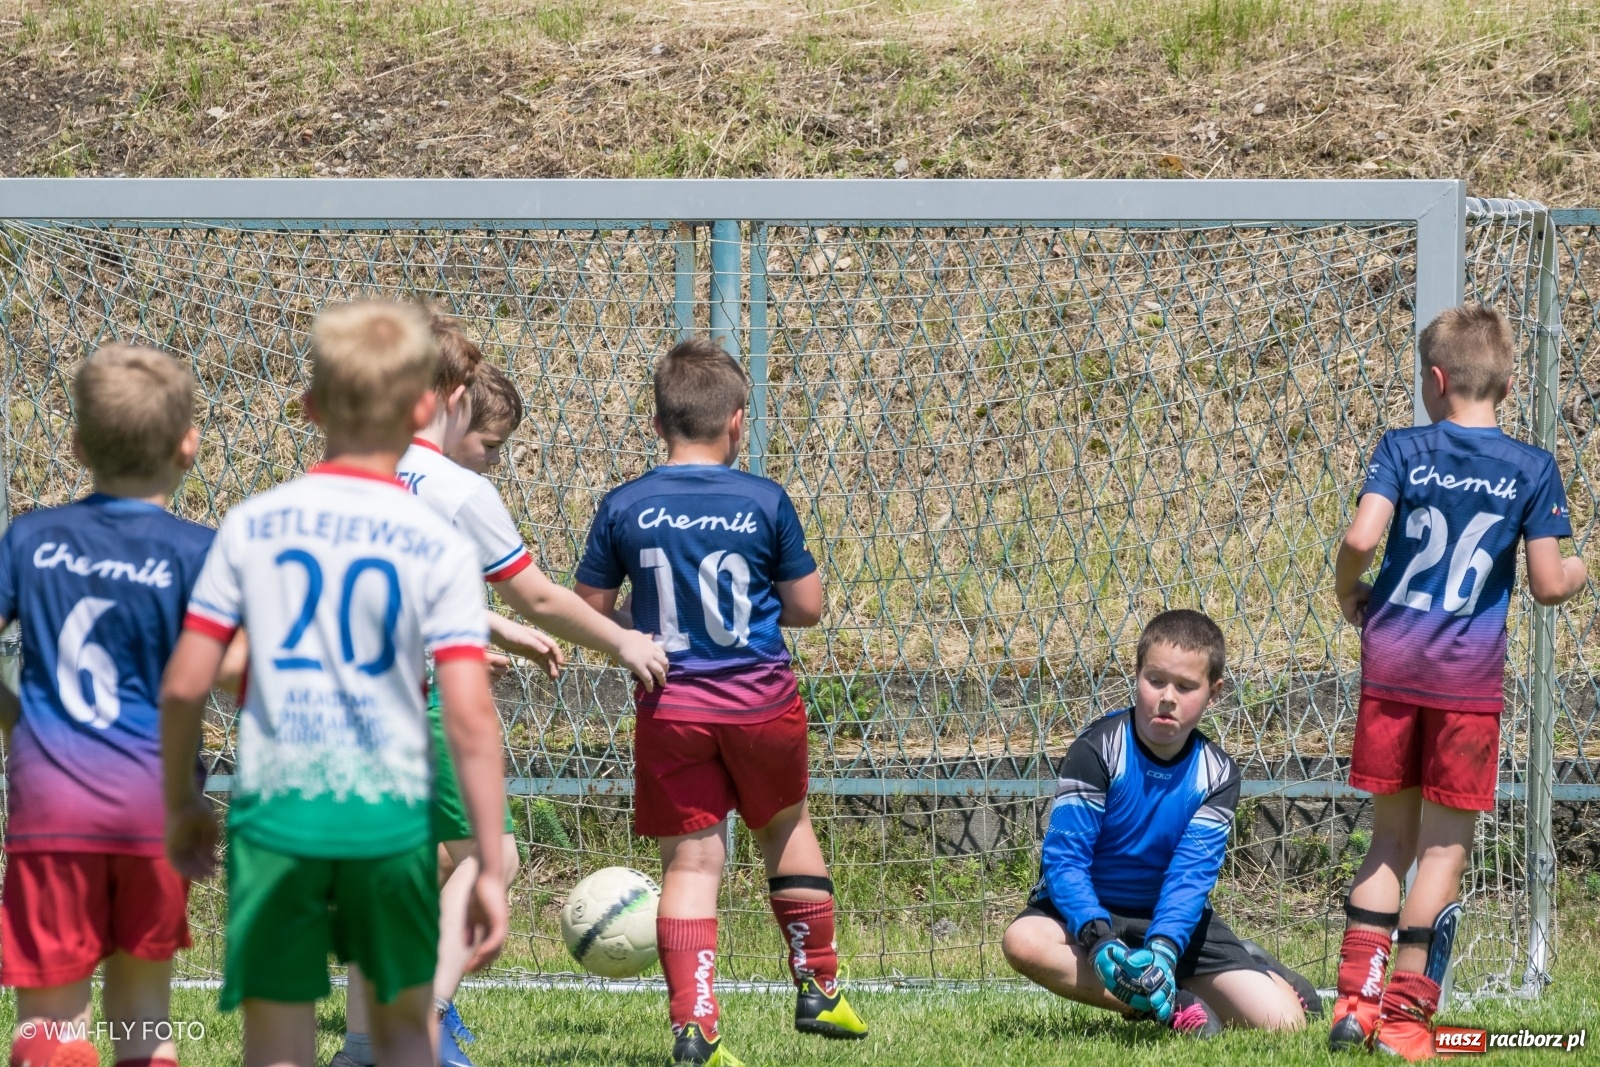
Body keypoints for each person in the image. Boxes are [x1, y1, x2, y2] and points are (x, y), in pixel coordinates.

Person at [160, 301, 510, 1067]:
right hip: (386, 817)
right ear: (422, 409)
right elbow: (470, 716)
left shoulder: (254, 523)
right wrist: (489, 859)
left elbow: (185, 683)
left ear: (312, 407)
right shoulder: (438, 543)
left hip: (278, 811)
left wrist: (181, 801)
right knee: (398, 1030)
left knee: (276, 1037)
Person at [335, 312, 669, 1067]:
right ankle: (427, 1020)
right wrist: (622, 641)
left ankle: (359, 1048)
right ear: (455, 395)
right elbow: (541, 595)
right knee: (492, 860)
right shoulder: (455, 489)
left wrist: (480, 629)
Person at [574, 337, 867, 1067]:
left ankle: (696, 1029)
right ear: (738, 421)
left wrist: (640, 630)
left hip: (670, 705)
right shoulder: (764, 499)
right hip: (761, 702)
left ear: (657, 422)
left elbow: (588, 609)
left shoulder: (625, 504)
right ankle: (818, 987)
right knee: (785, 827)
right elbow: (808, 607)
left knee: (692, 864)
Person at [1330, 305, 1587, 1060]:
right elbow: (1548, 584)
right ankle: (1405, 1022)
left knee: (1388, 840)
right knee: (1443, 852)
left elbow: (1361, 536)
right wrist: (1579, 568)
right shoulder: (1532, 467)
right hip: (1464, 684)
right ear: (1506, 386)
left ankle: (1354, 1006)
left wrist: (1348, 589)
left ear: (1435, 380)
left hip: (1390, 665)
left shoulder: (1402, 447)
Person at [0, 345, 215, 1067]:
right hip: (156, 805)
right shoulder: (199, 552)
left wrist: (17, 719)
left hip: (52, 805)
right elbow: (234, 667)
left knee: (50, 1026)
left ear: (77, 446)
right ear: (189, 445)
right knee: (145, 1021)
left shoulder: (30, 538)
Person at [1002, 610, 1315, 1039]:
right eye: (1155, 680)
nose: (1168, 697)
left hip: (1169, 918)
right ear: (1137, 677)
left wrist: (1165, 948)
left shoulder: (1218, 774)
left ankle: (1255, 965)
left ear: (1213, 693)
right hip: (1090, 911)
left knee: (1285, 1024)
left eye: (1186, 687)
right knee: (1022, 941)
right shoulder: (1097, 750)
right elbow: (1065, 861)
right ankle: (1167, 1006)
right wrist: (1098, 938)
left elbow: (1190, 877)